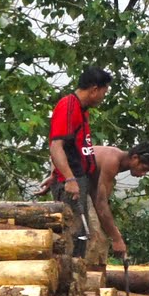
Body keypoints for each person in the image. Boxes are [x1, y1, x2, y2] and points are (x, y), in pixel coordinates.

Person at [47, 67, 113, 248]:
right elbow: (56, 146)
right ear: (94, 89)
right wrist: (68, 178)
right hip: (71, 182)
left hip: (79, 178)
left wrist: (56, 173)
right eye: (103, 92)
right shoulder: (68, 106)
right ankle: (70, 274)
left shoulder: (82, 109)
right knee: (73, 232)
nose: (103, 97)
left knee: (81, 233)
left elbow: (71, 147)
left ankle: (77, 271)